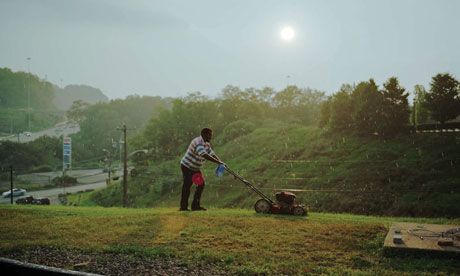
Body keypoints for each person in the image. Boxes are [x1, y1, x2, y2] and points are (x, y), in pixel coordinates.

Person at [180, 128, 224, 211]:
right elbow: (204, 154)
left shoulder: (206, 143)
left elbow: (211, 153)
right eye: (209, 135)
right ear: (204, 134)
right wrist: (217, 162)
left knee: (200, 185)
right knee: (187, 185)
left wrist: (220, 162)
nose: (211, 137)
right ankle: (183, 207)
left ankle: (195, 206)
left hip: (195, 169)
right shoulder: (198, 142)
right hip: (187, 167)